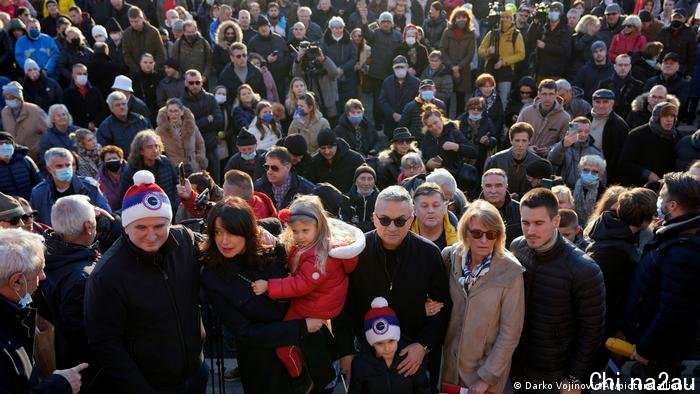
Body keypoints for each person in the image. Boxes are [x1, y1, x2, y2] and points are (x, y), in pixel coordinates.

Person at [85, 170, 208, 393]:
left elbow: (223, 247)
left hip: (195, 374)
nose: (151, 236)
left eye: (160, 226)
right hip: (150, 385)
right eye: (141, 227)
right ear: (126, 226)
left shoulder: (185, 241)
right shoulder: (107, 274)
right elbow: (105, 343)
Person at [336, 185, 451, 392]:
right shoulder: (355, 251)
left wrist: (423, 346)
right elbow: (341, 307)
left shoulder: (429, 254)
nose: (391, 227)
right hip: (366, 357)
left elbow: (443, 309)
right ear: (373, 218)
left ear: (412, 219)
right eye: (384, 220)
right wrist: (346, 353)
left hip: (414, 358)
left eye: (400, 221)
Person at [199, 197, 319, 392]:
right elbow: (244, 332)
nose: (224, 240)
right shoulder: (212, 275)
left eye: (231, 232)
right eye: (218, 232)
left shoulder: (275, 250)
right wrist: (300, 327)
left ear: (246, 231)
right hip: (261, 364)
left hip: (305, 351)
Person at [252, 195, 365, 389]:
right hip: (318, 300)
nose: (299, 236)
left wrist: (269, 286)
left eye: (305, 230)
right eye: (295, 231)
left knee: (283, 343)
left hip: (314, 306)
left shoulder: (319, 255)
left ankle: (300, 378)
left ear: (319, 227)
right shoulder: (311, 245)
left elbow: (301, 284)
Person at [509, 187, 605, 393]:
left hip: (557, 373)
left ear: (556, 221)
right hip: (519, 365)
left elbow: (592, 331)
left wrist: (575, 378)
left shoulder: (584, 269)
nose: (531, 231)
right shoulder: (518, 247)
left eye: (539, 223)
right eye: (525, 223)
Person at [622, 172, 700, 383]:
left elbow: (673, 311)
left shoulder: (680, 252)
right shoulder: (672, 236)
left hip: (660, 354)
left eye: (661, 197)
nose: (658, 202)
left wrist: (646, 349)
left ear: (672, 205)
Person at [441, 199, 524, 394]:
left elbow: (510, 332)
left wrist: (486, 378)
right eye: (477, 234)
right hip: (448, 369)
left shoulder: (511, 270)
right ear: (465, 233)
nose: (484, 240)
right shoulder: (451, 257)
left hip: (484, 374)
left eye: (491, 234)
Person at [0, 228, 89, 394]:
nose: (43, 276)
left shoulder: (14, 312)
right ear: (16, 281)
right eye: (39, 269)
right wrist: (59, 386)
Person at [40, 195, 106, 389]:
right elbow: (88, 338)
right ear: (88, 226)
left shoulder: (45, 255)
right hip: (87, 374)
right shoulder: (83, 279)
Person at [586, 187, 656, 356]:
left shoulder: (607, 227)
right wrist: (619, 326)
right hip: (602, 324)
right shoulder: (617, 253)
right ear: (645, 222)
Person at [349, 297, 432, 394]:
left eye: (391, 341)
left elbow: (423, 389)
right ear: (371, 343)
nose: (387, 348)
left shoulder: (411, 358)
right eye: (379, 343)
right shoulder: (360, 364)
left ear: (397, 337)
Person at [30, 147, 112, 226]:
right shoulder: (38, 193)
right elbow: (36, 225)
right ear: (49, 169)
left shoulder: (89, 187)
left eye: (68, 165)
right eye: (59, 166)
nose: (65, 169)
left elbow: (107, 216)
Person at [619, 101, 679, 186]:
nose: (669, 119)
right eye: (665, 116)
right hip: (639, 186)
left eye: (672, 116)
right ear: (656, 118)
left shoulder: (677, 136)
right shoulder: (637, 135)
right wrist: (647, 174)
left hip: (667, 187)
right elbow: (624, 163)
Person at [119, 130, 180, 214]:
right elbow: (126, 196)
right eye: (149, 147)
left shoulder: (165, 162)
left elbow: (176, 183)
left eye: (156, 146)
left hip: (170, 209)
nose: (155, 150)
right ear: (141, 150)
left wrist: (174, 204)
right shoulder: (131, 170)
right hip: (145, 214)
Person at [420, 104, 477, 192]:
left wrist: (456, 147)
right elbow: (421, 157)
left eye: (435, 123)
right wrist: (427, 164)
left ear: (441, 119)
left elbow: (474, 152)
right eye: (430, 126)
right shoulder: (426, 138)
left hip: (456, 179)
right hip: (435, 182)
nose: (434, 127)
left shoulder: (453, 132)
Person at [181, 69, 224, 183]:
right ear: (185, 83)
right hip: (193, 149)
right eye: (191, 83)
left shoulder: (210, 98)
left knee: (216, 181)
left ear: (202, 82)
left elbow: (219, 121)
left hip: (211, 145)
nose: (194, 85)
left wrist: (197, 123)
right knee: (197, 182)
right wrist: (207, 119)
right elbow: (187, 127)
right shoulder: (182, 102)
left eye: (197, 82)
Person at [477, 6, 525, 105]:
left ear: (512, 19)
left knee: (503, 100)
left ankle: (501, 119)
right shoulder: (492, 33)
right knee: (487, 100)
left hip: (506, 72)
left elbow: (521, 54)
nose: (505, 20)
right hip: (490, 70)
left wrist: (504, 62)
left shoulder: (516, 35)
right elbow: (480, 51)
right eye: (503, 17)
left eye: (508, 17)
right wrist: (488, 52)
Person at [485, 123, 541, 199]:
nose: (520, 144)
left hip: (528, 204)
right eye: (517, 140)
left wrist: (520, 196)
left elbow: (539, 191)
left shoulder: (537, 163)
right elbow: (485, 187)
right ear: (511, 141)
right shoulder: (496, 160)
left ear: (529, 142)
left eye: (524, 141)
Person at [585, 88, 630, 185]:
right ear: (592, 102)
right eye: (598, 102)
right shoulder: (584, 118)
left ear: (612, 103)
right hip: (581, 167)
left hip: (605, 173)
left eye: (605, 102)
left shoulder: (619, 125)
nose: (601, 105)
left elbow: (619, 157)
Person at [516, 79, 571, 157]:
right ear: (539, 94)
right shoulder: (526, 112)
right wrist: (527, 148)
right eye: (544, 94)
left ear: (556, 94)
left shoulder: (565, 118)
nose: (547, 98)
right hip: (525, 156)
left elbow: (565, 143)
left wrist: (551, 149)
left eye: (551, 94)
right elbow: (516, 135)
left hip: (550, 159)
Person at [547, 117, 604, 189]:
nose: (583, 134)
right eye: (579, 131)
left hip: (587, 191)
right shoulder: (561, 146)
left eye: (586, 131)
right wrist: (563, 145)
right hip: (564, 189)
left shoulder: (596, 152)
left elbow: (602, 177)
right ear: (571, 130)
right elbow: (551, 160)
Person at [155, 98, 208, 174]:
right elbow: (159, 152)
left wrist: (200, 159)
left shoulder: (192, 127)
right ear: (167, 113)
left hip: (194, 168)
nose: (173, 114)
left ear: (182, 112)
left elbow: (200, 144)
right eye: (170, 111)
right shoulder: (160, 131)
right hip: (175, 170)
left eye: (176, 111)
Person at [439, 7, 476, 116]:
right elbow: (442, 49)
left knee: (461, 99)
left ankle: (459, 122)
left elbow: (470, 54)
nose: (461, 20)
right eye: (459, 17)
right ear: (454, 18)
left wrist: (459, 67)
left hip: (464, 70)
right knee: (448, 97)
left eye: (464, 17)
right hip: (448, 68)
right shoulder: (447, 32)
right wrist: (451, 66)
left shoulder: (471, 34)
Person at [1, 81, 50, 163]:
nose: (9, 100)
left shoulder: (35, 111)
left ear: (19, 97)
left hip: (35, 158)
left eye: (12, 97)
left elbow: (48, 132)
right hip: (14, 158)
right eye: (6, 98)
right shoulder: (4, 112)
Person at [524, 1, 571, 80]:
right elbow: (529, 38)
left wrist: (545, 46)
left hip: (555, 71)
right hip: (540, 70)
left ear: (561, 13)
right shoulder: (544, 26)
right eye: (551, 10)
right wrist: (535, 22)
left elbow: (564, 50)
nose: (553, 12)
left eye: (556, 10)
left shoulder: (565, 29)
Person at [308, 129, 365, 193]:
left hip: (350, 199)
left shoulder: (355, 159)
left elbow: (366, 183)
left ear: (336, 145)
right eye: (323, 148)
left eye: (330, 147)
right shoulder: (314, 162)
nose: (327, 152)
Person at [96, 91, 151, 158]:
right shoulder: (105, 127)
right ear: (111, 109)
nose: (122, 107)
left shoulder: (140, 120)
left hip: (146, 158)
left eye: (124, 104)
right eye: (117, 105)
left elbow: (152, 138)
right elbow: (107, 152)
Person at [379, 55, 421, 139]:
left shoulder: (416, 82)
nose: (400, 69)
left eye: (402, 67)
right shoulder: (387, 82)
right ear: (393, 68)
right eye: (397, 67)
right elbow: (382, 101)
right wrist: (393, 114)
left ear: (407, 67)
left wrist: (405, 116)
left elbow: (418, 102)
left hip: (409, 124)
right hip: (391, 122)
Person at [480, 168, 522, 247]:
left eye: (498, 186)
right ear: (482, 187)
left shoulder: (520, 210)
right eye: (488, 186)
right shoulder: (470, 212)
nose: (493, 191)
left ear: (506, 186)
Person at [410, 182, 458, 251]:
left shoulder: (460, 237)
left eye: (436, 205)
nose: (430, 211)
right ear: (414, 210)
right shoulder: (403, 236)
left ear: (445, 207)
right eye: (424, 206)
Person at [218, 42, 267, 107]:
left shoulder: (256, 72)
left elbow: (263, 93)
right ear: (232, 58)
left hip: (255, 108)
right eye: (238, 56)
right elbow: (225, 99)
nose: (242, 58)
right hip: (235, 110)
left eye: (244, 55)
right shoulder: (225, 75)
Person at [597, 54, 644, 119]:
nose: (623, 68)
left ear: (630, 67)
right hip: (607, 120)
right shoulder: (604, 84)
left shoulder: (639, 85)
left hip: (629, 122)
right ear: (615, 66)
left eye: (626, 65)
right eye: (620, 65)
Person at [63, 63, 108, 131]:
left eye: (84, 74)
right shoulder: (67, 93)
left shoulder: (95, 91)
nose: (82, 76)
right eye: (79, 73)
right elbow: (68, 114)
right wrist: (85, 125)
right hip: (78, 129)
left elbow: (103, 110)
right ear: (72, 75)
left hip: (97, 128)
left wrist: (94, 123)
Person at [121, 6, 165, 74]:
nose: (134, 24)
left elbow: (160, 53)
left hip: (153, 72)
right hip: (135, 73)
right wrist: (136, 69)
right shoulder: (126, 34)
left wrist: (153, 68)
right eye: (131, 21)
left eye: (136, 21)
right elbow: (126, 54)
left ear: (142, 19)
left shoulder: (153, 32)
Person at [0, 131, 41, 200]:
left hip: (31, 204)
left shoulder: (25, 160)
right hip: (9, 209)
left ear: (13, 145)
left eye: (7, 143)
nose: (4, 146)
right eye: (0, 143)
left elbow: (39, 183)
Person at [348, 164, 379, 232]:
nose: (366, 183)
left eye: (370, 179)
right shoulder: (347, 200)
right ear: (355, 181)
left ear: (374, 182)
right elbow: (345, 224)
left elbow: (380, 225)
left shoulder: (380, 201)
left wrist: (358, 225)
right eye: (362, 178)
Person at [96, 145, 126, 211]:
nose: (112, 161)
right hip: (113, 214)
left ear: (121, 159)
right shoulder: (100, 179)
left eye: (115, 158)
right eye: (108, 159)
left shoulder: (131, 172)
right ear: (104, 163)